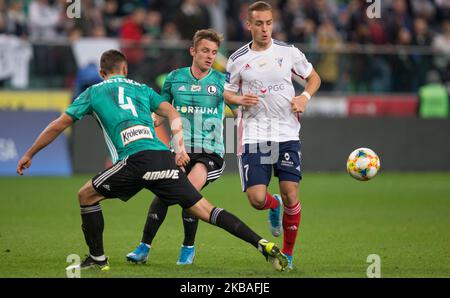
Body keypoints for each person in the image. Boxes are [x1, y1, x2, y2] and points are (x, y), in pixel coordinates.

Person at [16, 49, 288, 272]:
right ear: (125, 70)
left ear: (102, 73)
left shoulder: (93, 92)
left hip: (134, 160)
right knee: (204, 209)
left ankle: (98, 258)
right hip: (162, 157)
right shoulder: (142, 89)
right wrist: (178, 144)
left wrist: (29, 154)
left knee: (86, 195)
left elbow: (57, 125)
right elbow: (171, 112)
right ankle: (262, 244)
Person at [223, 1, 321, 270]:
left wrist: (304, 97)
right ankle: (272, 204)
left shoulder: (289, 52)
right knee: (256, 199)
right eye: (259, 24)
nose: (265, 29)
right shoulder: (238, 59)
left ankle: (287, 254)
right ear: (249, 25)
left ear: (273, 23)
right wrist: (239, 99)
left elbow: (314, 78)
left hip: (287, 132)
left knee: (291, 193)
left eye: (268, 23)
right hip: (254, 134)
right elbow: (227, 92)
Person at [126, 29, 238, 265]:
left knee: (188, 192)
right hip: (180, 149)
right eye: (205, 51)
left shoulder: (221, 81)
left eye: (214, 53)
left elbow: (239, 113)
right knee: (163, 193)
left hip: (209, 152)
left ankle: (188, 248)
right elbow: (162, 110)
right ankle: (144, 247)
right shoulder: (174, 78)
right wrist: (152, 121)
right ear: (193, 51)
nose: (210, 56)